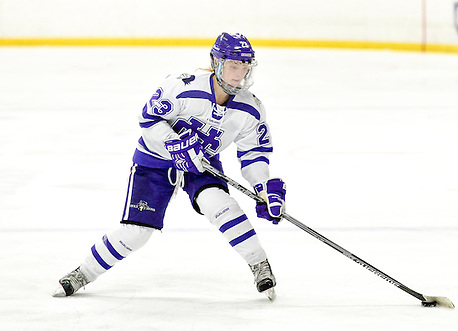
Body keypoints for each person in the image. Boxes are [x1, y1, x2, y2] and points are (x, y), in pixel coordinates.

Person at [52, 32, 286, 300]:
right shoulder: (182, 87)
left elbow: (253, 153)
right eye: (233, 66)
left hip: (200, 165)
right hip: (155, 160)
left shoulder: (251, 109)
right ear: (217, 63)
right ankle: (83, 272)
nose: (238, 75)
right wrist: (174, 143)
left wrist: (262, 186)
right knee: (137, 233)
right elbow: (149, 118)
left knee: (221, 205)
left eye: (244, 67)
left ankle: (259, 264)